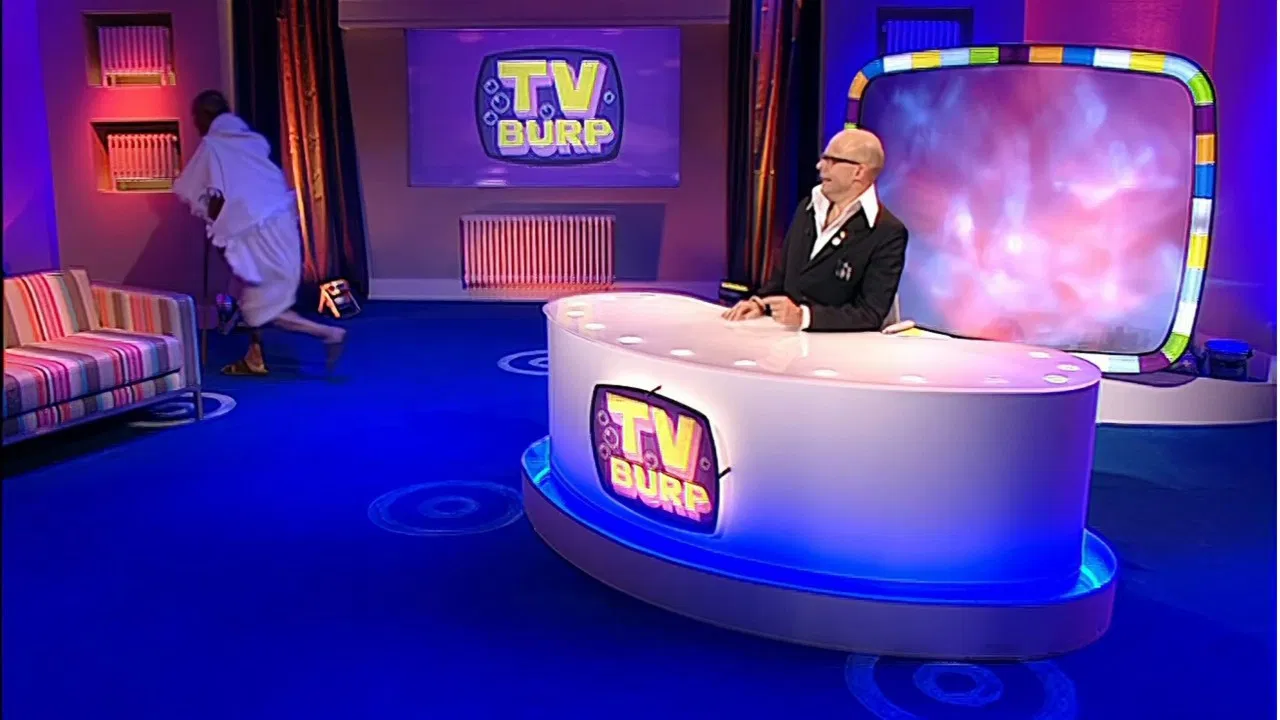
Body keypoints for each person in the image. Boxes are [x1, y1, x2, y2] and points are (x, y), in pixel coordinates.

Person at [173, 90, 346, 375]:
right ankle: (255, 357)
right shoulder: (250, 142)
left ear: (204, 116)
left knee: (259, 309)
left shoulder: (215, 146)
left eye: (196, 117)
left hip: (258, 235)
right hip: (279, 226)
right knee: (247, 293)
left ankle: (328, 334)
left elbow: (216, 193)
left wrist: (213, 224)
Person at [723, 128, 908, 332]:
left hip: (838, 347)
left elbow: (870, 313)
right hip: (787, 341)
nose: (820, 166)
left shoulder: (886, 232)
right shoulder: (808, 207)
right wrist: (760, 302)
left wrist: (804, 317)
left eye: (831, 160)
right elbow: (782, 276)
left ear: (859, 172)